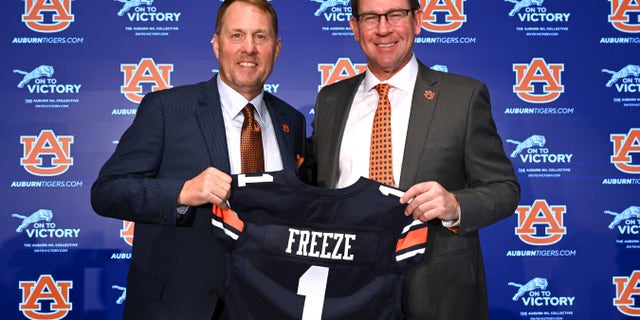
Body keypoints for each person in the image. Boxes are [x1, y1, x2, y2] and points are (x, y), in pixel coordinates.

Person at [90, 0, 305, 318]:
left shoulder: (292, 121)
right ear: (217, 45)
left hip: (263, 305)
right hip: (178, 308)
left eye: (260, 37)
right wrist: (181, 192)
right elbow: (107, 192)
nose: (249, 48)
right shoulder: (166, 109)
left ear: (277, 47)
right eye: (236, 36)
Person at [309, 0, 520, 319]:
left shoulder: (463, 97)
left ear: (417, 20)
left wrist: (454, 206)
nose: (383, 28)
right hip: (347, 289)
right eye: (370, 17)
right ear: (354, 28)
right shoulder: (330, 100)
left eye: (395, 14)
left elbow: (504, 189)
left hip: (437, 292)